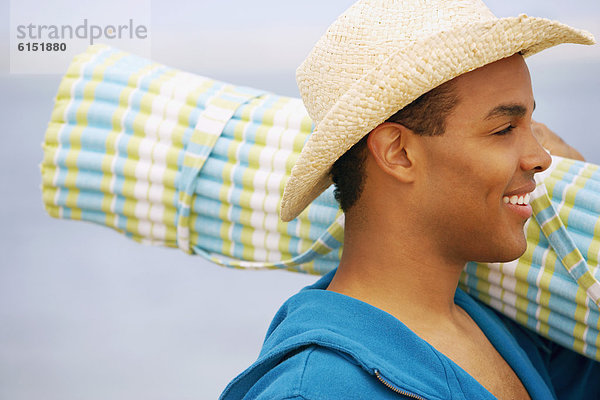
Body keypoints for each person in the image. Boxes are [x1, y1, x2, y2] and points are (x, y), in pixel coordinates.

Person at [220, 0, 599, 398]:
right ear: (398, 153)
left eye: (531, 124)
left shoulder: (510, 331)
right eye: (504, 128)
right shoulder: (318, 389)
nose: (541, 157)